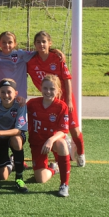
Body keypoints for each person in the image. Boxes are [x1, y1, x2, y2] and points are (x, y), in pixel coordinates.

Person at [27, 32, 86, 167]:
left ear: (50, 43)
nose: (41, 44)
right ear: (34, 44)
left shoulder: (56, 58)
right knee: (52, 129)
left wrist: (70, 101)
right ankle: (59, 160)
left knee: (74, 130)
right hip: (49, 100)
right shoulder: (30, 61)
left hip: (65, 99)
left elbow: (67, 79)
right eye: (38, 42)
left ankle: (81, 153)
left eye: (44, 41)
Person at [27, 76, 71, 197]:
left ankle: (64, 184)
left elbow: (63, 130)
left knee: (62, 143)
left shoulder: (61, 106)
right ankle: (53, 168)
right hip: (37, 143)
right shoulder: (32, 104)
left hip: (53, 140)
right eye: (45, 88)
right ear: (40, 88)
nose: (48, 91)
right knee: (40, 179)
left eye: (52, 89)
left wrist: (51, 140)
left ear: (58, 90)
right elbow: (20, 113)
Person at [0, 79, 29, 192]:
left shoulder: (20, 105)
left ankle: (19, 178)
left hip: (11, 135)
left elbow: (18, 130)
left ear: (16, 93)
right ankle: (12, 161)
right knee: (1, 177)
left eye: (9, 92)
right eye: (3, 92)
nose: (6, 95)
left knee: (16, 140)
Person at [0, 32, 35, 98]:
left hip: (19, 97)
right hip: (1, 96)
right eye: (4, 42)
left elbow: (39, 52)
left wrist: (53, 51)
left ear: (15, 44)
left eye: (10, 42)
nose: (7, 45)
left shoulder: (21, 55)